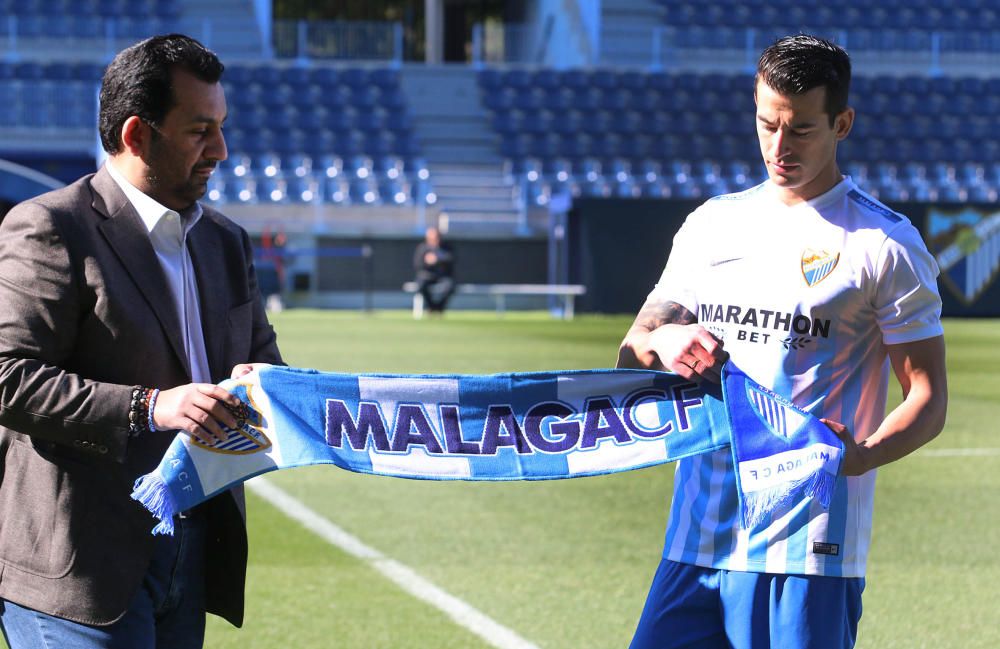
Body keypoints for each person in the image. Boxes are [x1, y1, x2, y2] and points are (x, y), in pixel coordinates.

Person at [617, 35, 947, 649]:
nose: (779, 147)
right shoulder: (712, 225)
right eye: (767, 124)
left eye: (801, 130)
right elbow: (632, 348)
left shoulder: (884, 244)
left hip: (806, 552)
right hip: (697, 542)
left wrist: (861, 455)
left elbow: (927, 397)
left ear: (842, 123)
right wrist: (663, 342)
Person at [0, 34, 282, 648]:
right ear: (136, 135)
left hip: (193, 555)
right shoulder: (51, 226)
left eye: (222, 127)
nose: (222, 150)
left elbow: (264, 366)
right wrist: (152, 406)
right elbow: (8, 377)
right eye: (199, 131)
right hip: (78, 566)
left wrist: (285, 397)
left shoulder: (226, 243)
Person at [413, 226, 456, 314]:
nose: (434, 240)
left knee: (450, 286)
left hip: (442, 276)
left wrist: (437, 259)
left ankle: (439, 307)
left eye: (436, 237)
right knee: (421, 285)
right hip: (427, 276)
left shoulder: (446, 248)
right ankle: (432, 307)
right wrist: (427, 262)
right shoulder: (422, 248)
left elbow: (451, 258)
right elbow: (417, 264)